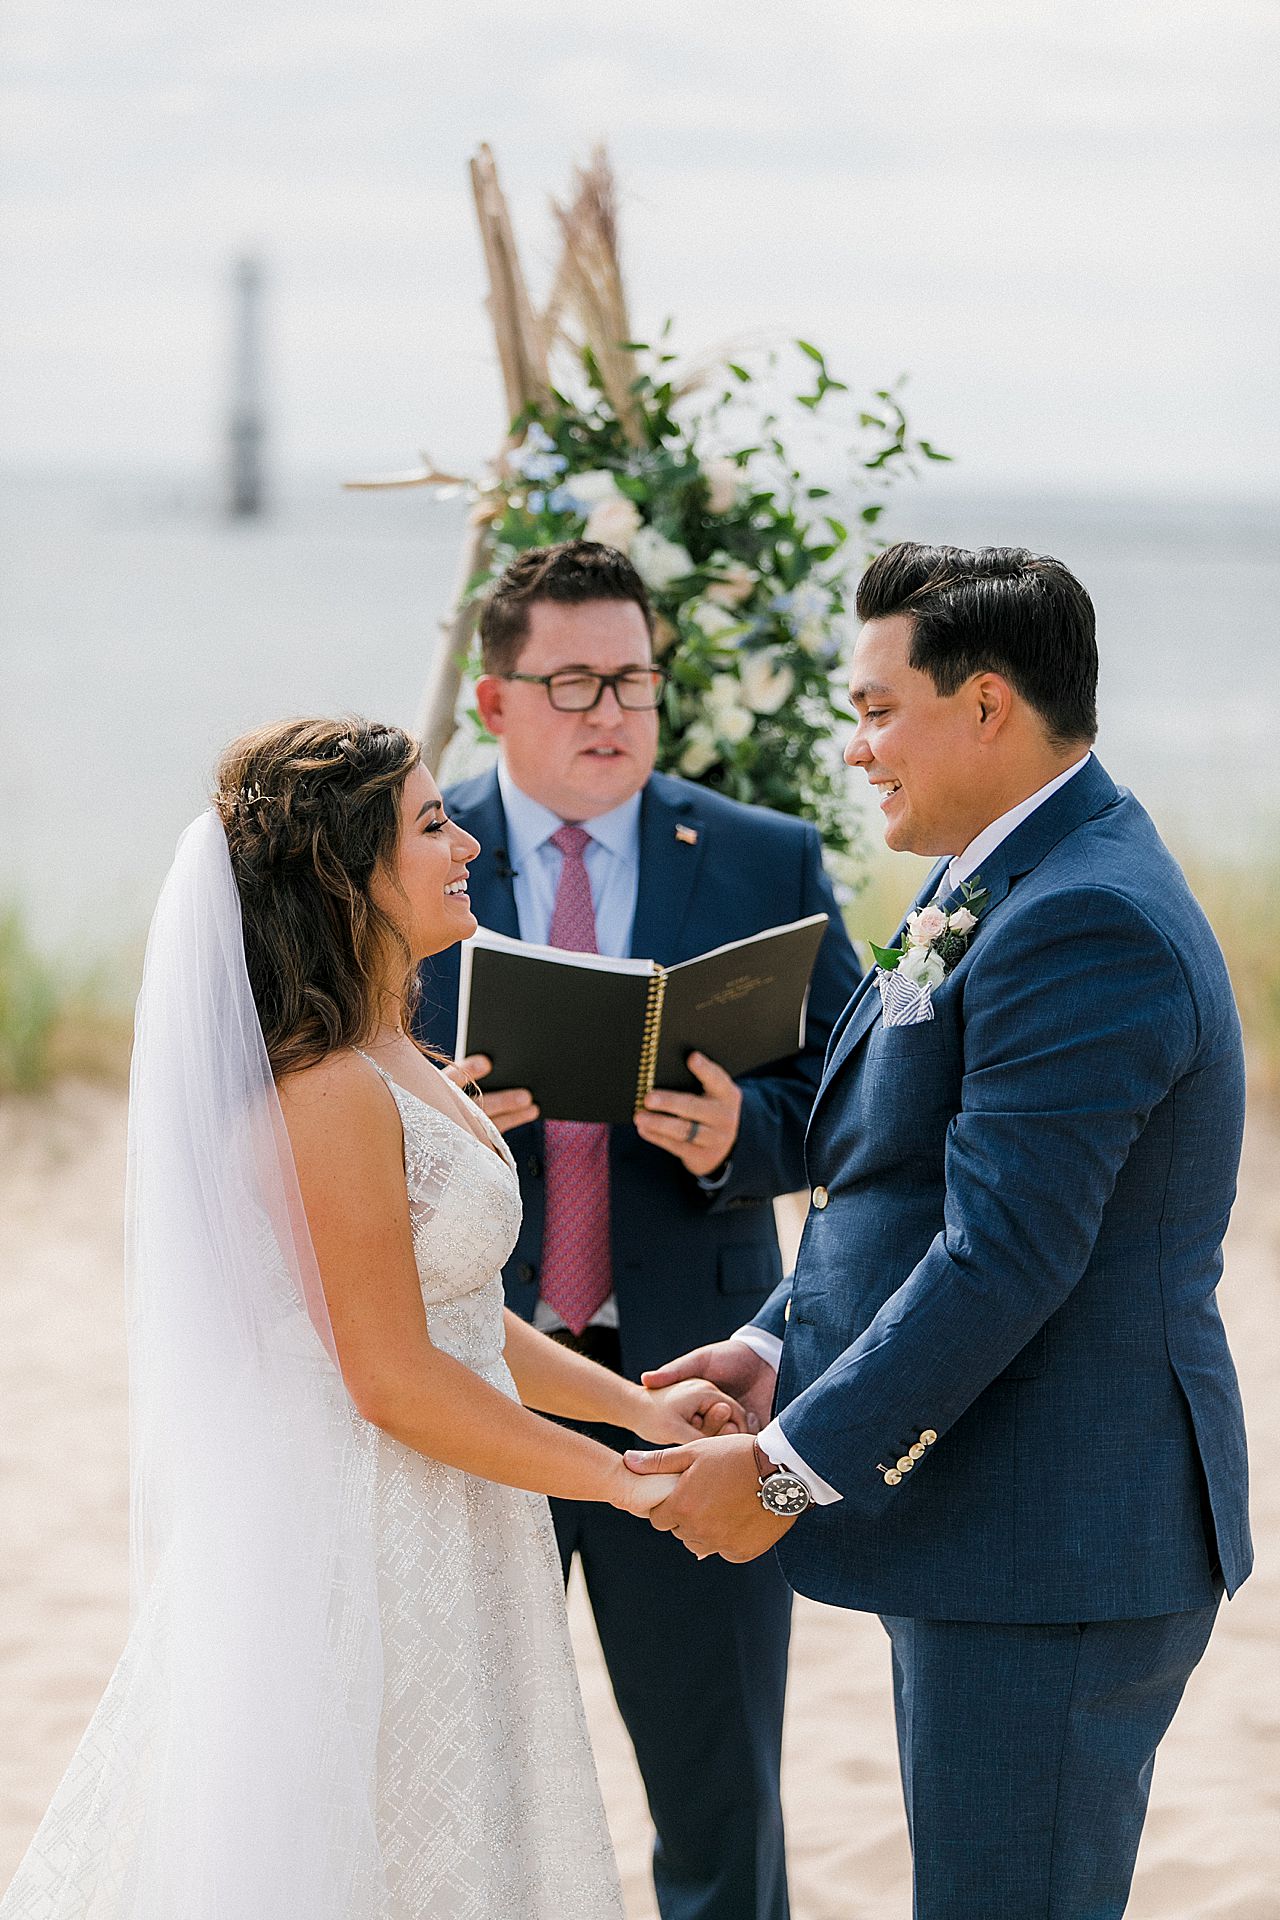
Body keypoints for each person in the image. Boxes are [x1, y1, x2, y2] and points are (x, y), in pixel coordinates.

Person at [0, 715, 751, 1920]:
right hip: (369, 1522)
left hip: (456, 1503)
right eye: (429, 824)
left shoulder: (390, 1044)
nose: (463, 843)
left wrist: (634, 1405)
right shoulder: (324, 1086)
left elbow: (449, 1307)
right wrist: (626, 1483)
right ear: (347, 876)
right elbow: (391, 1376)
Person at [634, 543, 1252, 1919]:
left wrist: (786, 1471)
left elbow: (1004, 1255)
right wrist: (772, 1345)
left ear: (985, 706)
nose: (855, 749)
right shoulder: (996, 872)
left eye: (874, 709)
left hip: (1057, 1542)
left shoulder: (1087, 916)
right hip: (986, 1518)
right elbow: (893, 1182)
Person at [415, 540, 862, 1920]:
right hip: (470, 1385)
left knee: (720, 1796)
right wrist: (439, 1108)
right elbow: (327, 1092)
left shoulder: (763, 855)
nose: (610, 710)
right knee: (456, 1786)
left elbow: (864, 1095)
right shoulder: (417, 864)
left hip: (692, 1390)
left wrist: (752, 1138)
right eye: (572, 681)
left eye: (635, 680)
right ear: (493, 702)